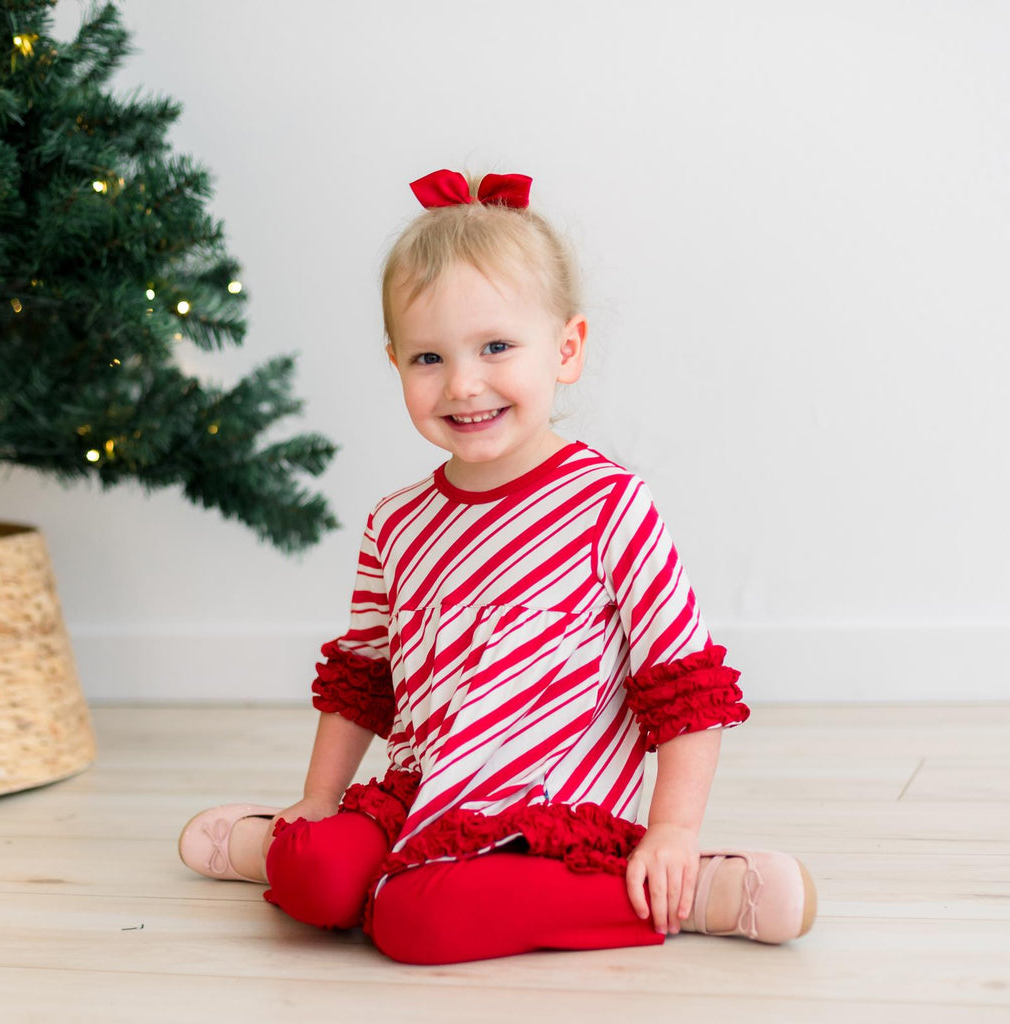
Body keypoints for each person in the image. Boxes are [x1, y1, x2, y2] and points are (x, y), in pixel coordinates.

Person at [178, 168, 817, 964]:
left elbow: (681, 685)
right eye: (427, 358)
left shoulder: (609, 507)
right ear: (394, 363)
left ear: (567, 349)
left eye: (496, 347)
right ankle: (273, 844)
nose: (463, 384)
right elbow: (361, 679)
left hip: (547, 807)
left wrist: (672, 832)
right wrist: (317, 801)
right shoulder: (396, 524)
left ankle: (684, 893)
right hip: (421, 790)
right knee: (317, 872)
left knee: (419, 919)